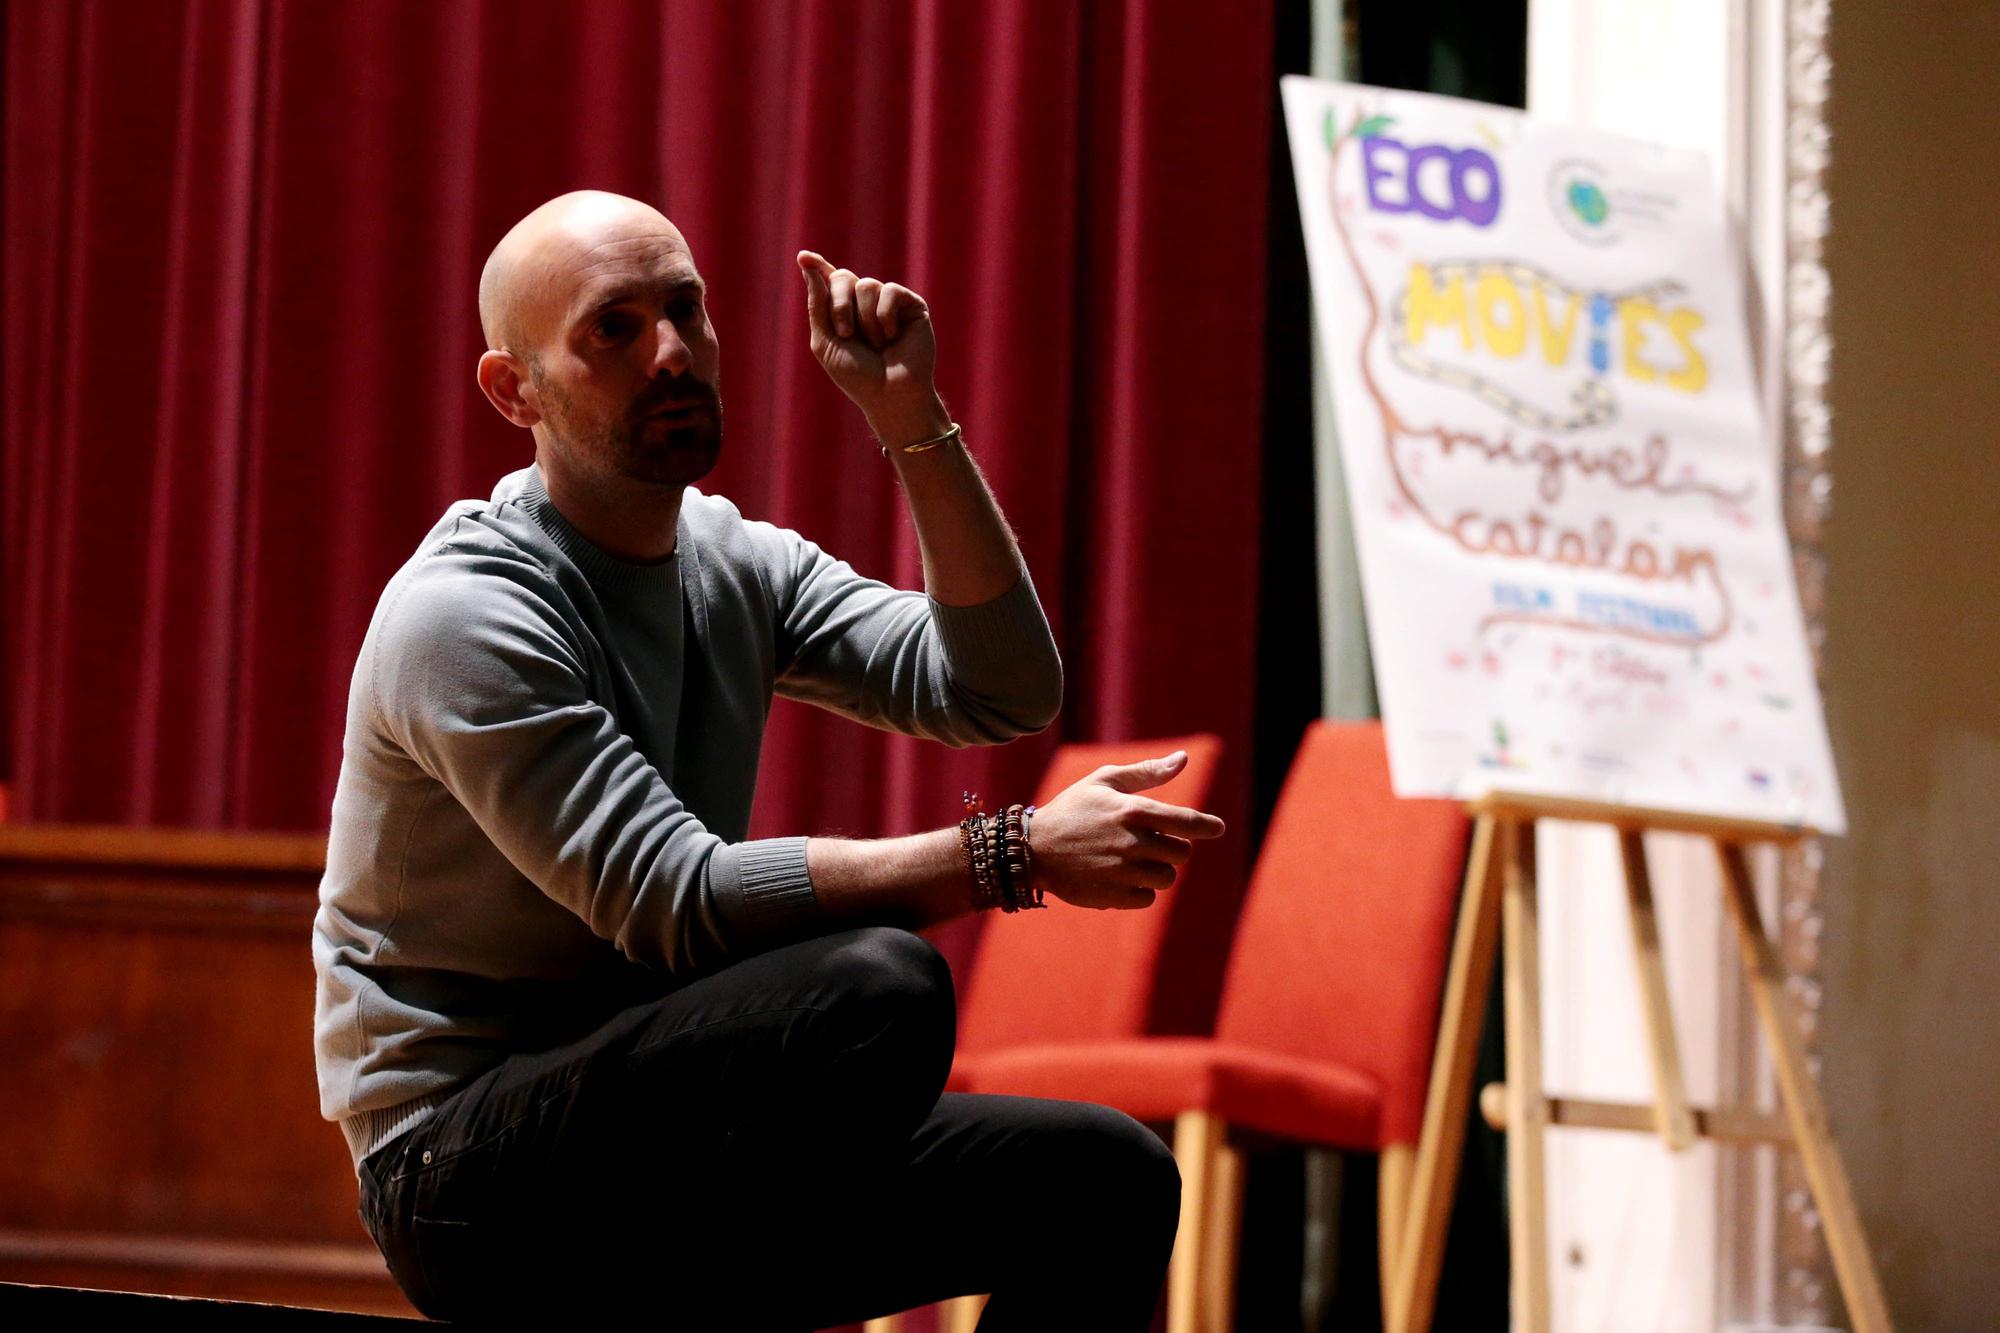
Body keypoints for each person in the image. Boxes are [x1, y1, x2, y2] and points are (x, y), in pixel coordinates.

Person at [311, 190, 1227, 1329]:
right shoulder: (465, 615)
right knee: (877, 991)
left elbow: (998, 688)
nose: (673, 352)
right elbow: (674, 899)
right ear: (515, 390)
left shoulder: (732, 562)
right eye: (614, 328)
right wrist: (1010, 852)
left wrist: (910, 419)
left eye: (685, 310)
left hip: (660, 1127)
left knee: (1103, 1175)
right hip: (461, 1175)